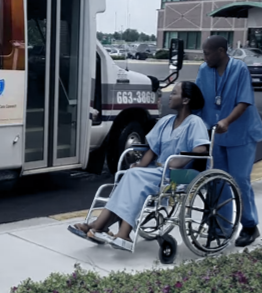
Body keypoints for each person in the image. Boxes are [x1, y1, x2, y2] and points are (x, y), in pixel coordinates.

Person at [67, 82, 211, 252]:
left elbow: (201, 149)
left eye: (174, 93)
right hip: (160, 171)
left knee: (134, 178)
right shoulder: (166, 121)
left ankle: (117, 230)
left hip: (182, 174)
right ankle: (101, 226)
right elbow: (151, 149)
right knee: (131, 175)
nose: (169, 97)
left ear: (186, 100)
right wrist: (140, 166)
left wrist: (178, 162)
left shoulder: (195, 122)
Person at [194, 35, 262, 247]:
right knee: (217, 180)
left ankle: (250, 226)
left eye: (207, 53)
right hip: (216, 135)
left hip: (241, 133)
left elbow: (244, 101)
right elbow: (198, 99)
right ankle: (222, 227)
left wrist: (227, 120)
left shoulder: (239, 69)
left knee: (240, 180)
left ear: (221, 52)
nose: (204, 56)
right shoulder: (203, 71)